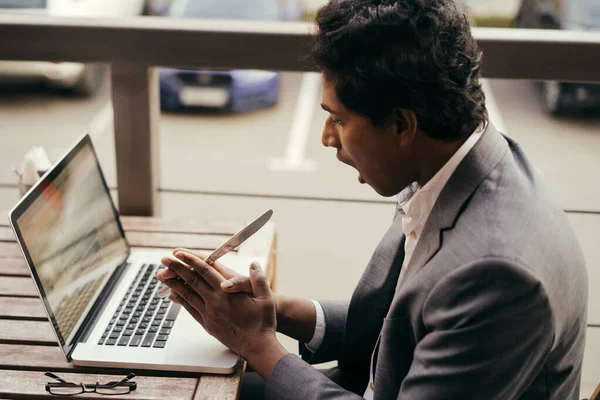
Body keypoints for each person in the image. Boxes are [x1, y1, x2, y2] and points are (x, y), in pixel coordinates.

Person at [156, 0, 589, 398]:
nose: (327, 138)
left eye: (339, 120)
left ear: (402, 126)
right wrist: (276, 311)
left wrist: (256, 344)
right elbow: (405, 325)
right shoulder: (461, 163)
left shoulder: (498, 275)